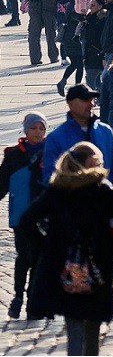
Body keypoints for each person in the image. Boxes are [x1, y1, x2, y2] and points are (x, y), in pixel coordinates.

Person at [21, 142, 113, 355]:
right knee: (93, 323)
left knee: (73, 324)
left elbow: (27, 220)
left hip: (63, 266)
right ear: (90, 163)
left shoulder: (58, 190)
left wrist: (46, 244)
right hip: (99, 266)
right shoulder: (102, 190)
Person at [0, 113, 47, 320]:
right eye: (34, 128)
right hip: (20, 216)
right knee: (25, 256)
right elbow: (1, 185)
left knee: (38, 259)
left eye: (42, 129)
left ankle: (33, 299)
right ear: (26, 130)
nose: (38, 132)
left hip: (43, 217)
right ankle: (18, 296)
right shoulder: (12, 155)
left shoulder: (50, 152)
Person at [43, 84, 113, 184]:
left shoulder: (105, 131)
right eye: (85, 100)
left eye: (92, 100)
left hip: (106, 196)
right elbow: (50, 177)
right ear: (70, 104)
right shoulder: (55, 138)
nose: (91, 104)